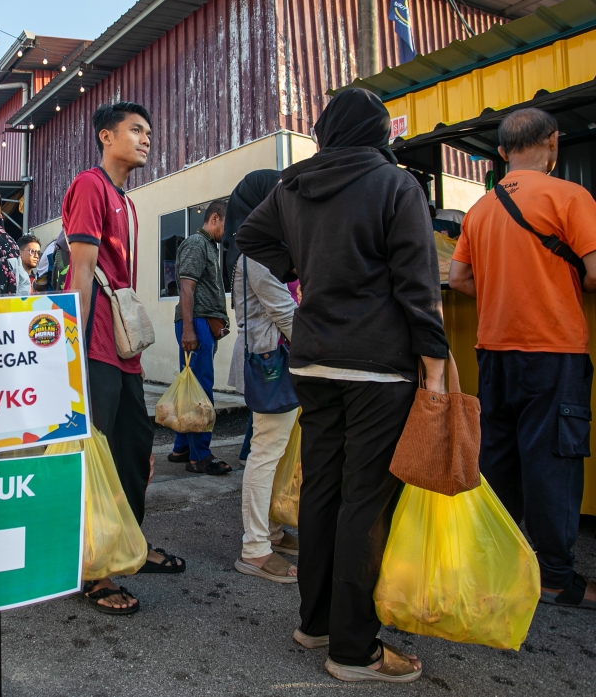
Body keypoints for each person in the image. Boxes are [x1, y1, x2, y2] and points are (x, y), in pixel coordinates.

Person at [237, 88, 449, 683]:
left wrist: (305, 265)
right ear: (378, 132)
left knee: (323, 489)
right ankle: (354, 650)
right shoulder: (395, 185)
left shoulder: (292, 185)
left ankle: (317, 622)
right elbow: (416, 280)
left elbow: (247, 236)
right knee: (366, 499)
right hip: (378, 363)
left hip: (312, 359)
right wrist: (434, 359)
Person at [449, 107, 596, 611]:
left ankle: (502, 565)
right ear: (552, 143)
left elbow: (460, 279)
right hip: (553, 352)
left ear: (502, 152)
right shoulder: (571, 197)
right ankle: (555, 578)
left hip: (492, 351)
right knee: (552, 461)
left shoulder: (480, 209)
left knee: (500, 460)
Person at [64, 101, 185, 616]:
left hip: (124, 348)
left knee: (135, 452)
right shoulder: (90, 185)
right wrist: (70, 354)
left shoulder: (129, 203)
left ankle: (129, 544)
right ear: (105, 136)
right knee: (97, 455)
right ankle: (92, 568)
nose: (146, 138)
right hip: (93, 345)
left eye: (149, 132)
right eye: (136, 130)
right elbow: (82, 272)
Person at [223, 171, 301, 584]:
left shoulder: (266, 248)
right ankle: (254, 549)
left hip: (275, 358)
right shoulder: (257, 252)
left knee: (274, 449)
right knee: (266, 452)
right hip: (271, 361)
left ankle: (269, 530)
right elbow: (283, 312)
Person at [169, 199, 231, 474]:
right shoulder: (197, 243)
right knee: (201, 392)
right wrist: (189, 329)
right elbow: (186, 288)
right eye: (226, 225)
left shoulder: (208, 245)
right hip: (196, 323)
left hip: (201, 323)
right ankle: (200, 457)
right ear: (215, 218)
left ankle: (182, 447)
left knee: (190, 388)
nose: (227, 233)